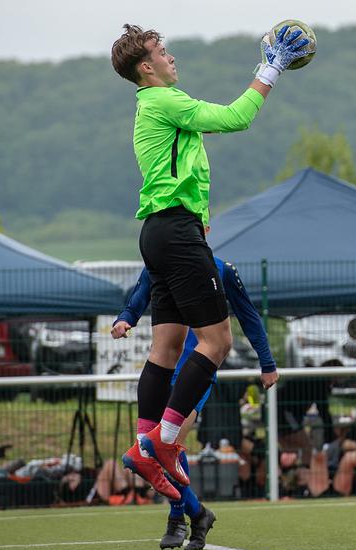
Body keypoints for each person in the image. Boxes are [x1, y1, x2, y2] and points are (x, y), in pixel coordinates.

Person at [109, 24, 306, 503]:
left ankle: (149, 442)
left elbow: (203, 142)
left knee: (167, 348)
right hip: (176, 234)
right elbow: (237, 117)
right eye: (162, 51)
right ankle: (162, 442)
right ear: (146, 67)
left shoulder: (152, 106)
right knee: (217, 341)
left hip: (160, 232)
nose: (171, 57)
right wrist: (271, 68)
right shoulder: (163, 100)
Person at [111, 256, 277, 550]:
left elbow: (248, 314)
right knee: (157, 448)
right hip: (164, 369)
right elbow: (140, 292)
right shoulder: (160, 261)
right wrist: (125, 318)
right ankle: (198, 514)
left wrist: (267, 362)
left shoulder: (220, 268)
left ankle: (177, 518)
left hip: (197, 373)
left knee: (164, 443)